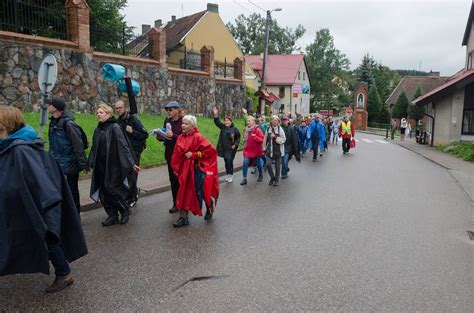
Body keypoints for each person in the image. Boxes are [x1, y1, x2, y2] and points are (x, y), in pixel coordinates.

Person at [0, 105, 88, 293]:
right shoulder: (14, 145)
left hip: (33, 205)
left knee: (46, 238)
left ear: (4, 124)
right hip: (24, 205)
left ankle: (64, 273)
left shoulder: (20, 149)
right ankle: (64, 272)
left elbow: (33, 180)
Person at [89, 104, 140, 226]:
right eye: (97, 113)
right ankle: (112, 215)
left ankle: (125, 210)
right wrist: (89, 163)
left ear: (108, 114)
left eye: (101, 112)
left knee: (113, 190)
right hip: (100, 166)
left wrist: (131, 163)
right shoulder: (98, 130)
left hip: (113, 166)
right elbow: (94, 148)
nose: (98, 115)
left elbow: (124, 145)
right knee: (103, 192)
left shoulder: (115, 127)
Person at [171, 115, 219, 227]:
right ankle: (183, 217)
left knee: (201, 191)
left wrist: (194, 155)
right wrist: (176, 168)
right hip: (185, 170)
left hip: (197, 169)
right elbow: (176, 154)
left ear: (192, 126)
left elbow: (211, 151)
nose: (183, 125)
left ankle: (209, 206)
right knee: (183, 191)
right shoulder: (180, 138)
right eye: (183, 123)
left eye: (186, 123)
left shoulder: (199, 137)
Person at [47, 98, 88, 214]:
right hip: (57, 164)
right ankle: (66, 217)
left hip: (70, 165)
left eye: (49, 104)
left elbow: (78, 146)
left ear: (55, 107)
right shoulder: (53, 122)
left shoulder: (69, 124)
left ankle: (75, 217)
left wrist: (84, 165)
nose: (47, 106)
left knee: (71, 192)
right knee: (61, 192)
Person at [115, 100, 148, 208]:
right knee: (125, 175)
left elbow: (144, 134)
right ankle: (128, 195)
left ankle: (132, 197)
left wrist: (132, 131)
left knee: (132, 175)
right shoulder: (118, 121)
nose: (118, 110)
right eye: (116, 108)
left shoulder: (133, 120)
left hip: (134, 151)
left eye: (120, 107)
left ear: (125, 108)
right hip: (123, 152)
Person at [156, 101, 183, 214]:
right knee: (173, 181)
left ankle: (184, 204)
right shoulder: (167, 121)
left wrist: (174, 136)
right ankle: (175, 203)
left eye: (170, 109)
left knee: (182, 181)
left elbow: (186, 138)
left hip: (181, 156)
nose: (168, 112)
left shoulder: (184, 121)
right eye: (167, 110)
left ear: (177, 109)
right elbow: (166, 135)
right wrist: (160, 136)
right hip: (170, 155)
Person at [212, 106, 240, 183]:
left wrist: (236, 144)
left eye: (228, 120)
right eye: (225, 121)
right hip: (224, 149)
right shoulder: (223, 127)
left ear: (231, 121)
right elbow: (217, 122)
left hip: (231, 149)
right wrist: (216, 114)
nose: (226, 122)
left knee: (229, 162)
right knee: (226, 162)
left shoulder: (235, 129)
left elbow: (238, 138)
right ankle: (228, 175)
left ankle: (231, 175)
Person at [240, 115, 264, 185]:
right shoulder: (245, 130)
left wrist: (255, 137)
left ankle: (260, 175)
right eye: (247, 121)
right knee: (245, 163)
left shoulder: (257, 129)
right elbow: (244, 138)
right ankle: (244, 178)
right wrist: (244, 140)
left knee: (258, 163)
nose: (247, 122)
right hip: (247, 150)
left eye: (249, 121)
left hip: (256, 150)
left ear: (253, 122)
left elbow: (262, 140)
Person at [263, 115, 286, 186]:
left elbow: (284, 139)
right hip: (269, 150)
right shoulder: (268, 129)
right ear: (271, 121)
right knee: (268, 165)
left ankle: (276, 180)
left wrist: (275, 137)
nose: (275, 122)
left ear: (278, 121)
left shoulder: (280, 129)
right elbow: (265, 140)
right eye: (273, 120)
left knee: (277, 167)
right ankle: (272, 178)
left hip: (278, 151)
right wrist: (264, 148)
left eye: (276, 120)